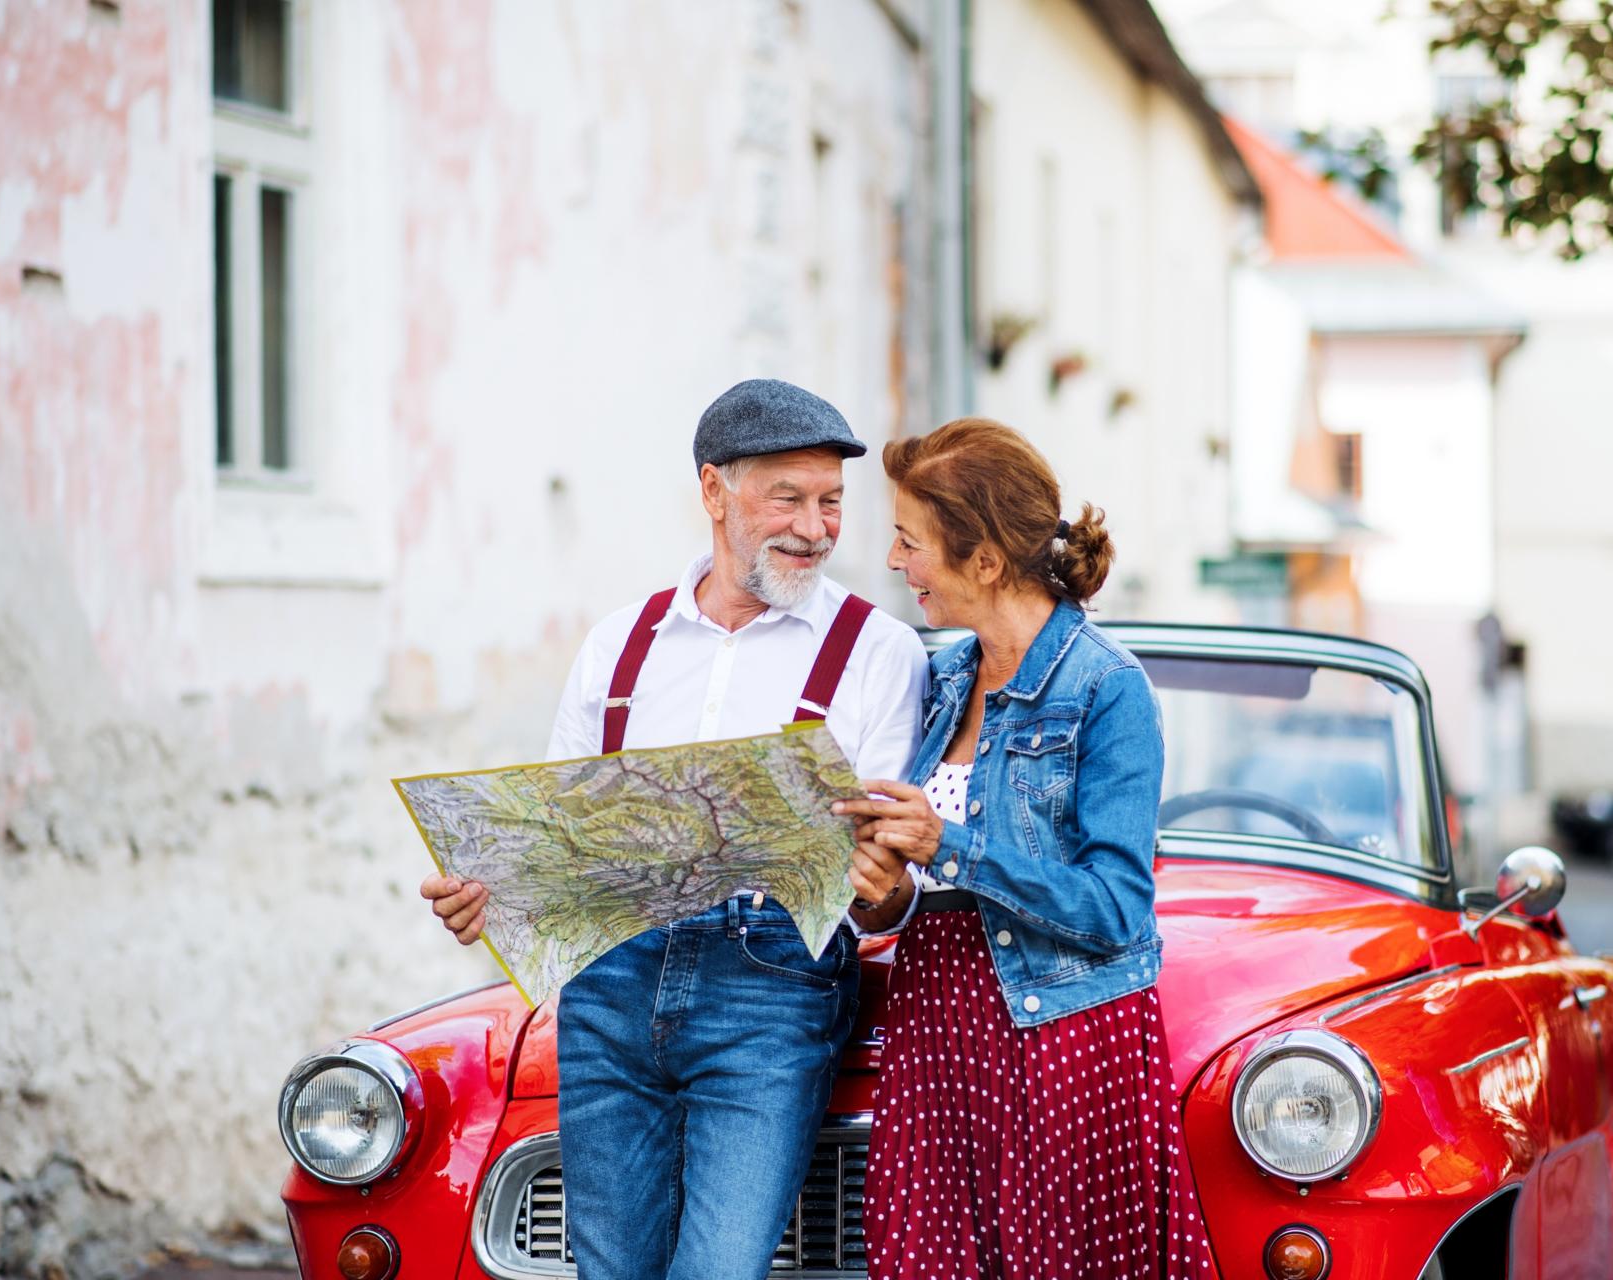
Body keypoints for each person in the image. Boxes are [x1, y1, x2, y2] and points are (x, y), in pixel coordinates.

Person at [420, 379, 928, 1280]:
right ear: (713, 491)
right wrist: (485, 895)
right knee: (610, 1272)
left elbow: (883, 902)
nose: (815, 528)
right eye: (789, 498)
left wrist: (887, 885)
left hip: (770, 987)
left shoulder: (879, 652)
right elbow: (554, 844)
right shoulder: (620, 645)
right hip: (610, 985)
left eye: (832, 504)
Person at [837, 418, 1215, 1278]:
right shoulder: (940, 680)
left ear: (984, 561)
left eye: (910, 542)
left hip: (1060, 1044)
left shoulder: (1106, 688)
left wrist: (950, 846)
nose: (897, 563)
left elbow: (1118, 907)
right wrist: (877, 880)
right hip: (939, 1034)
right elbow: (906, 891)